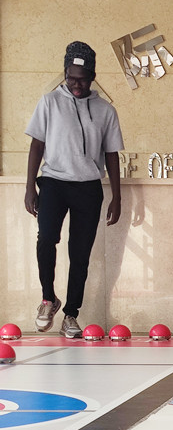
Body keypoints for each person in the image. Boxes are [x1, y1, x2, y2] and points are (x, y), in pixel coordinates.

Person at [24, 41, 124, 338]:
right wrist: (30, 188)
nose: (76, 85)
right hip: (54, 183)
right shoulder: (49, 103)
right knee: (46, 239)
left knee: (80, 254)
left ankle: (70, 314)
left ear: (92, 76)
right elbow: (36, 145)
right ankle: (48, 299)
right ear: (65, 74)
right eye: (71, 78)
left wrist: (116, 197)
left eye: (82, 79)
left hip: (88, 188)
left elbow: (111, 154)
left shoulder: (106, 111)